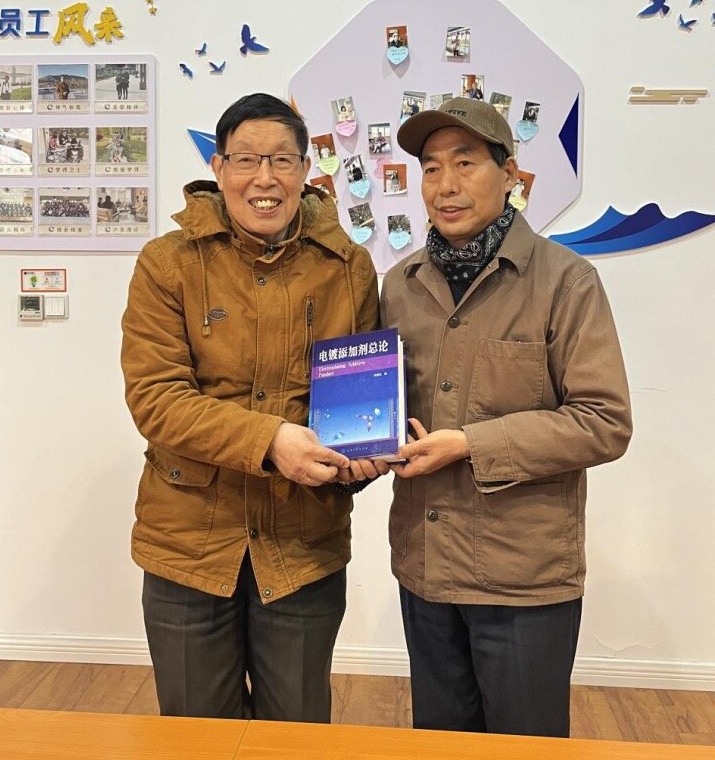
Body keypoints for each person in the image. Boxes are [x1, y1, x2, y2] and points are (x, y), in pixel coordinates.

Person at [121, 93, 382, 723]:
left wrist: (361, 457)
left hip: (303, 546)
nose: (264, 179)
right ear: (218, 168)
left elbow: (358, 398)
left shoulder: (348, 268)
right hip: (188, 544)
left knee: (295, 733)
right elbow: (156, 399)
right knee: (196, 736)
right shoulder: (168, 264)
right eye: (246, 160)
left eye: (282, 160)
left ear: (306, 170)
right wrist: (271, 442)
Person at [380, 97, 632, 739]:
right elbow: (388, 407)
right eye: (431, 168)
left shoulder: (565, 281)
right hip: (425, 568)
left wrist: (470, 443)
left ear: (510, 174)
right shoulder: (400, 284)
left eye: (465, 162)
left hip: (523, 578)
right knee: (441, 743)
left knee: (526, 746)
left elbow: (603, 421)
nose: (446, 184)